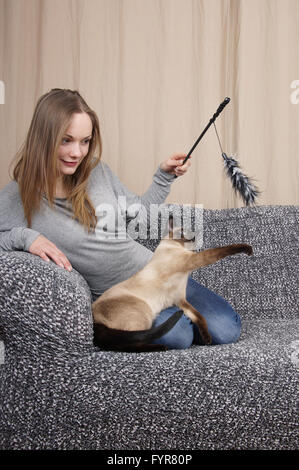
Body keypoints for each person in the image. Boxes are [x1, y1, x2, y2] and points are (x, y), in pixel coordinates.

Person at [0, 88, 241, 349]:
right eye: (66, 140)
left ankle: (179, 317)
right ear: (43, 138)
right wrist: (26, 237)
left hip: (159, 273)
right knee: (178, 336)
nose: (77, 153)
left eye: (85, 141)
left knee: (226, 330)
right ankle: (178, 322)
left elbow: (140, 214)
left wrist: (163, 177)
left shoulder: (97, 170)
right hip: (120, 298)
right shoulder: (18, 194)